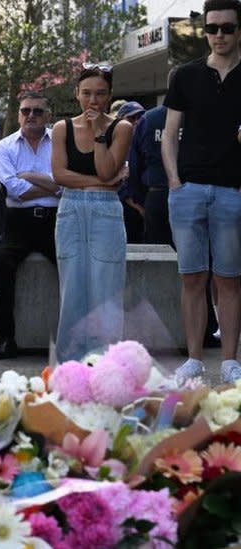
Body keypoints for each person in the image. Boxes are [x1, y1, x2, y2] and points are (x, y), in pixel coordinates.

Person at [162, 0, 241, 384]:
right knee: (192, 277)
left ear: (239, 29)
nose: (220, 35)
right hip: (189, 188)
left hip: (234, 190)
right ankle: (194, 359)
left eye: (227, 28)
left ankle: (229, 361)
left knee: (229, 278)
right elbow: (169, 134)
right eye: (213, 29)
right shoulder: (185, 76)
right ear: (205, 31)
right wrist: (175, 182)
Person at [50, 64, 133, 363]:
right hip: (71, 208)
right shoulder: (62, 128)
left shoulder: (121, 127)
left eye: (99, 94)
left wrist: (99, 135)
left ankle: (107, 365)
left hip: (105, 211)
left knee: (106, 288)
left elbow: (107, 168)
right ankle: (69, 365)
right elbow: (59, 175)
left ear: (110, 95)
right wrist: (102, 183)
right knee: (71, 287)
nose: (93, 101)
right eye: (86, 93)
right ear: (76, 94)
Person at [0, 91, 58, 359]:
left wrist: (29, 175)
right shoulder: (4, 147)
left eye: (38, 111)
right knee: (0, 267)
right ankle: (5, 338)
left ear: (48, 115)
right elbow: (10, 189)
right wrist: (49, 184)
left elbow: (64, 185)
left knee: (73, 269)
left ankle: (76, 337)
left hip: (55, 221)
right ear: (18, 114)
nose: (31, 116)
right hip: (16, 222)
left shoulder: (61, 141)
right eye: (25, 111)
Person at [127, 104, 172, 245]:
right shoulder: (197, 113)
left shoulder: (149, 119)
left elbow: (135, 165)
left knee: (157, 252)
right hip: (182, 193)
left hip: (157, 194)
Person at [116, 101, 146, 244]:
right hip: (125, 211)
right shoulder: (114, 146)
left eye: (140, 117)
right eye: (131, 118)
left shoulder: (147, 146)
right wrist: (139, 208)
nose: (136, 122)